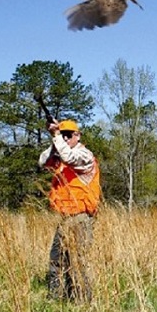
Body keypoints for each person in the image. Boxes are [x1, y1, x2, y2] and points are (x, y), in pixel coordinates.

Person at [38, 119, 101, 302]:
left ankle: (82, 301)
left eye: (68, 135)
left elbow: (70, 157)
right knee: (57, 259)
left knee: (78, 261)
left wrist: (57, 136)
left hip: (81, 218)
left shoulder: (85, 155)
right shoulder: (60, 158)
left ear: (77, 136)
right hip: (65, 218)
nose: (65, 138)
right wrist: (54, 141)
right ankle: (56, 298)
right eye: (62, 134)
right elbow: (43, 161)